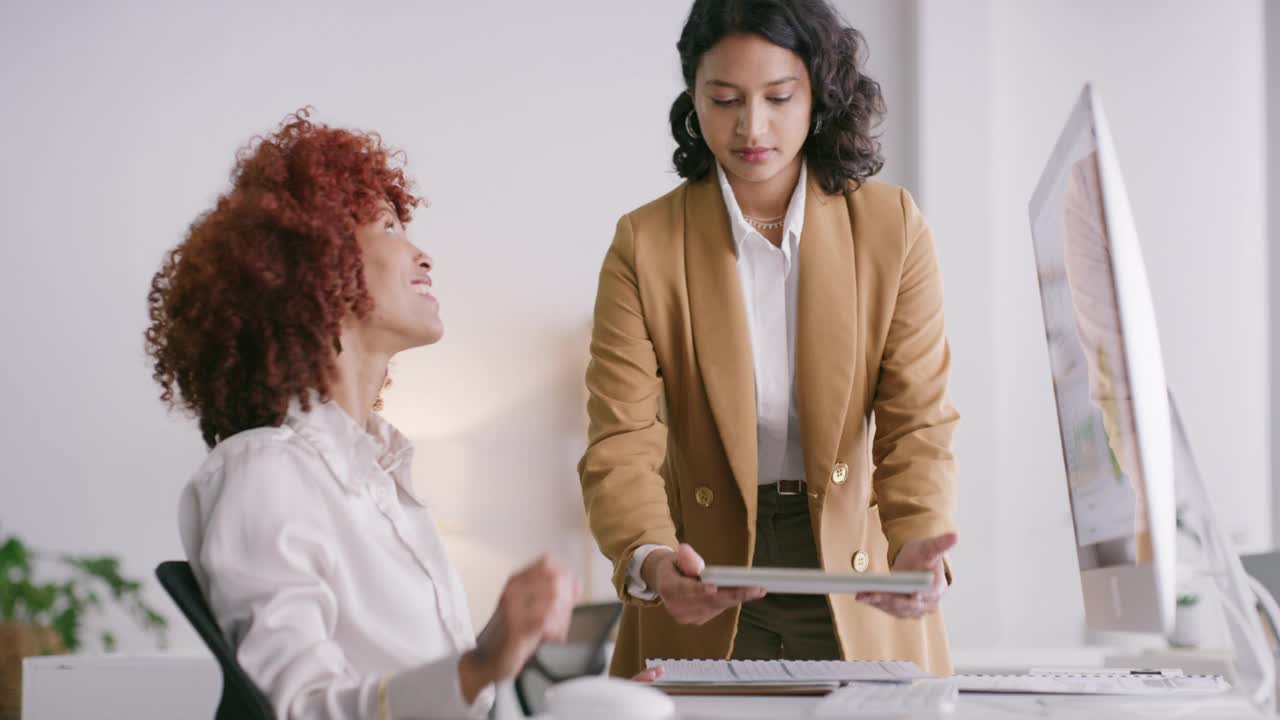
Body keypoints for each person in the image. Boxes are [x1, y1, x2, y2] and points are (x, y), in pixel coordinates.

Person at [145, 109, 591, 719]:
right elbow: (299, 709)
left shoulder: (379, 477)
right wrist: (481, 662)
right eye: (387, 223)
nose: (423, 252)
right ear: (314, 261)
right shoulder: (266, 474)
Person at [579, 0, 960, 677]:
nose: (752, 126)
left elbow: (918, 420)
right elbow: (621, 441)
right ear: (694, 97)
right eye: (724, 99)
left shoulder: (890, 227)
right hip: (705, 575)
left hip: (855, 574)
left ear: (818, 94)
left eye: (779, 97)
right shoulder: (645, 244)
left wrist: (916, 541)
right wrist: (652, 557)